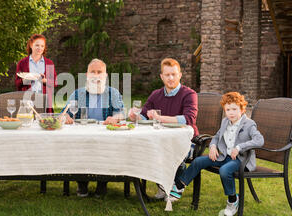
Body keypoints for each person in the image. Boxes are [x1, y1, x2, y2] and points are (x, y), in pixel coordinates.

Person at [169, 92, 264, 216]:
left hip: (240, 160)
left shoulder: (249, 124)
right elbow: (217, 136)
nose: (231, 113)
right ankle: (180, 185)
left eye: (234, 109)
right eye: (228, 109)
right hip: (224, 156)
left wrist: (240, 147)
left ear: (242, 109)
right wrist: (213, 146)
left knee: (224, 170)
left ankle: (232, 200)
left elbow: (259, 140)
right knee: (198, 161)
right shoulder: (225, 122)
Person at [128, 58, 198, 199]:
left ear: (180, 75)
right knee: (148, 149)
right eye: (167, 75)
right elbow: (144, 116)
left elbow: (189, 119)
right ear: (161, 77)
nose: (171, 78)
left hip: (188, 141)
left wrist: (160, 118)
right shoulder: (156, 94)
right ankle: (163, 185)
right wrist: (135, 116)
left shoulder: (189, 94)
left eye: (174, 74)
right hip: (160, 139)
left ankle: (175, 186)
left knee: (170, 150)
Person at [62, 59, 125, 197]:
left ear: (105, 75)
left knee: (106, 149)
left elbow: (122, 113)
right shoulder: (78, 94)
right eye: (93, 72)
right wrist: (66, 116)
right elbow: (64, 112)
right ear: (87, 75)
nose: (96, 75)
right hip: (82, 134)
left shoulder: (112, 93)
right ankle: (82, 183)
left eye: (99, 72)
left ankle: (102, 183)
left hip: (105, 134)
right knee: (78, 148)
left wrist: (116, 118)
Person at [15, 34, 57, 113]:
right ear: (31, 45)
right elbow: (17, 83)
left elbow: (54, 83)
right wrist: (26, 79)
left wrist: (44, 80)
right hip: (27, 101)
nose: (40, 48)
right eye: (37, 45)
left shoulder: (49, 63)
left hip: (44, 101)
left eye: (42, 46)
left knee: (45, 124)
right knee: (27, 123)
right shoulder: (22, 63)